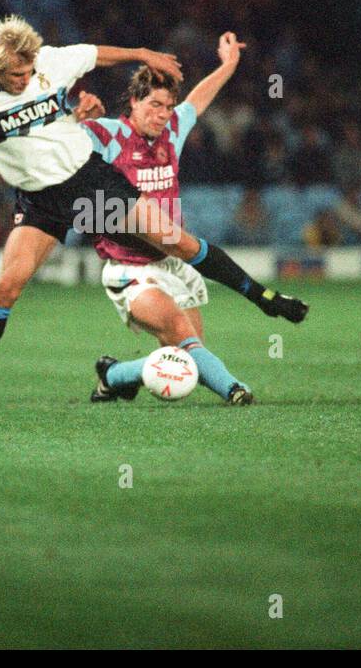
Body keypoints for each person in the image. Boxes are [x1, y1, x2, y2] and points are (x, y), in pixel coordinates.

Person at [0, 16, 307, 410]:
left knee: (175, 239)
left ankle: (264, 299)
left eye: (28, 71)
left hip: (89, 183)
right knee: (7, 287)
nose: (26, 79)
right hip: (39, 202)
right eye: (16, 75)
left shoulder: (48, 61)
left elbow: (96, 54)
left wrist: (141, 53)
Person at [82, 32, 256, 405]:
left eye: (168, 106)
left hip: (172, 262)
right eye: (155, 105)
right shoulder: (107, 134)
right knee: (183, 338)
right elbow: (58, 143)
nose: (163, 114)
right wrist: (73, 116)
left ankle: (113, 375)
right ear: (133, 102)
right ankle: (235, 389)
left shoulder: (172, 131)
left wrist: (228, 65)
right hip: (128, 269)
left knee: (185, 362)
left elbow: (199, 99)